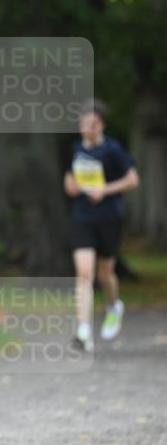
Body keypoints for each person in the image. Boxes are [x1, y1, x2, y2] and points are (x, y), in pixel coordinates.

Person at [64, 99, 139, 352]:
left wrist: (104, 190)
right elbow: (69, 182)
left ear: (102, 125)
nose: (88, 129)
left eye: (93, 125)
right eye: (84, 124)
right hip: (82, 216)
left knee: (105, 273)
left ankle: (113, 304)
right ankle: (83, 332)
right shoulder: (75, 149)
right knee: (84, 273)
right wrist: (72, 187)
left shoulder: (113, 150)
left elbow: (132, 180)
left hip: (109, 216)